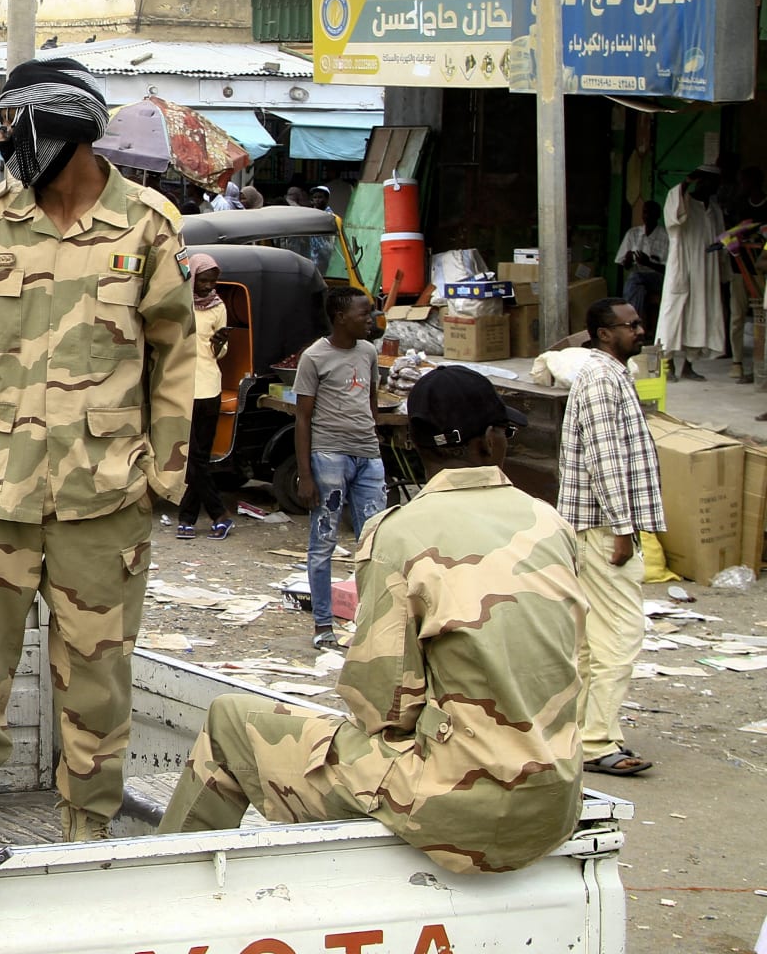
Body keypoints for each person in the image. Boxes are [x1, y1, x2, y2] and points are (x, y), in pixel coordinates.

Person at [0, 58, 193, 843]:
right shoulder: (0, 219)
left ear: (56, 126)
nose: (4, 141)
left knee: (96, 686)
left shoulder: (146, 225)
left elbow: (178, 359)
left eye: (12, 124)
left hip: (103, 498)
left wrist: (161, 476)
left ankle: (85, 839)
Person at [158, 366, 582, 875]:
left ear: (414, 444)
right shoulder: (551, 523)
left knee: (229, 719)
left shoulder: (397, 534)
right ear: (490, 444)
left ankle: (164, 891)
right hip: (555, 801)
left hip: (459, 809)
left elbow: (381, 703)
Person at [558, 298, 665, 778]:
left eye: (639, 323)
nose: (640, 331)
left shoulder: (612, 374)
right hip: (604, 529)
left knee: (590, 640)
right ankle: (599, 740)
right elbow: (605, 460)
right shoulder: (602, 379)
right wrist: (623, 528)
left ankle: (582, 732)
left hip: (599, 527)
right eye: (631, 325)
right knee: (620, 636)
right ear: (604, 333)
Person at [295, 287, 386, 650]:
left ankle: (373, 623)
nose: (371, 320)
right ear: (340, 317)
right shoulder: (314, 357)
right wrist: (305, 475)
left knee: (375, 541)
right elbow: (302, 418)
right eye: (364, 314)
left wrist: (373, 442)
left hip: (368, 456)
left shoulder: (368, 352)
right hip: (329, 456)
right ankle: (322, 625)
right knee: (324, 541)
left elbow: (372, 399)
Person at [176, 252, 232, 542]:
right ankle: (218, 514)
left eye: (213, 282)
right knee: (192, 458)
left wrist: (220, 345)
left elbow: (219, 353)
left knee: (199, 457)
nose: (209, 287)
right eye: (204, 281)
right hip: (181, 387)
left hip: (208, 386)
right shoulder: (179, 301)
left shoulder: (218, 307)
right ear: (193, 277)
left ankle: (188, 518)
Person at [656, 164, 724, 381]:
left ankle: (687, 365)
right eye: (710, 182)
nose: (714, 188)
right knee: (674, 313)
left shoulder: (714, 209)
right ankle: (666, 365)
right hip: (683, 266)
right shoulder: (683, 201)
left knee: (699, 315)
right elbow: (674, 218)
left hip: (705, 269)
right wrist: (686, 182)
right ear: (701, 181)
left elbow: (720, 238)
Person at [725, 166, 764, 382]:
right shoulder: (738, 206)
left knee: (761, 318)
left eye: (745, 181)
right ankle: (737, 362)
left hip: (761, 270)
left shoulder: (766, 205)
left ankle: (759, 368)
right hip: (739, 267)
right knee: (737, 315)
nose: (742, 186)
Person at [614, 199, 668, 339]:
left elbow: (669, 269)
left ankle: (629, 324)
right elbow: (624, 265)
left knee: (634, 279)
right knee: (637, 286)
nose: (647, 215)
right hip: (638, 277)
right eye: (644, 212)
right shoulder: (633, 234)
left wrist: (648, 263)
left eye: (651, 212)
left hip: (659, 278)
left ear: (658, 215)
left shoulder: (666, 236)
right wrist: (627, 259)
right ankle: (637, 327)